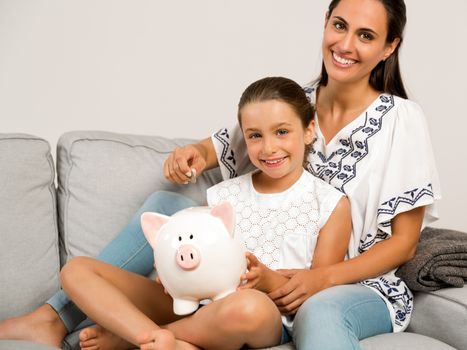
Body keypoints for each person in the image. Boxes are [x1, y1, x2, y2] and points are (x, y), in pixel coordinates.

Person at [0, 0, 441, 349]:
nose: (346, 44)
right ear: (325, 21)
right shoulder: (293, 102)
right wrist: (191, 153)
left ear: (389, 47)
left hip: (351, 282)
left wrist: (319, 280)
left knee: (319, 311)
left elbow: (403, 241)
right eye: (340, 25)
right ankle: (52, 317)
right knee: (167, 208)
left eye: (366, 36)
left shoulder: (402, 118)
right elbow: (225, 145)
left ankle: (147, 339)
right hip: (246, 279)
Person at [56, 76, 352, 350]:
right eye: (255, 136)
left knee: (248, 306)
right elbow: (194, 251)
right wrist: (173, 274)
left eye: (282, 132)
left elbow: (314, 296)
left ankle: (137, 338)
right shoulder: (224, 194)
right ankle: (155, 337)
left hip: (262, 314)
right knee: (77, 270)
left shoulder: (329, 204)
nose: (269, 147)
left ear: (309, 130)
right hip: (196, 303)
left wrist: (265, 279)